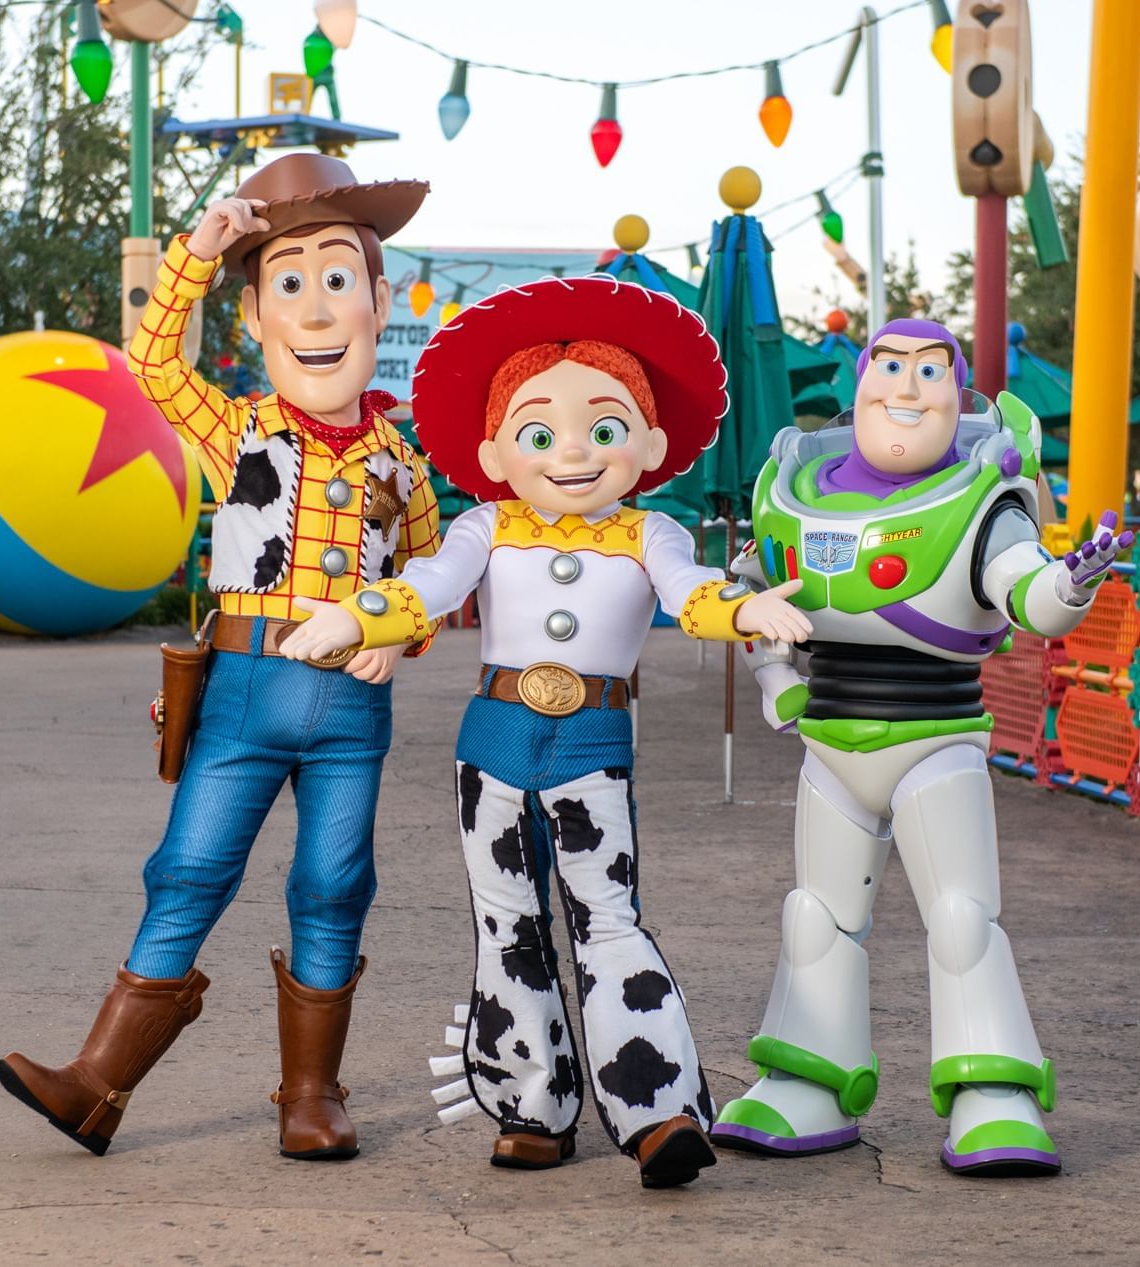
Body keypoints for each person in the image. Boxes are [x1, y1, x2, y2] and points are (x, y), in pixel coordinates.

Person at [281, 275, 811, 1188]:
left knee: (610, 922)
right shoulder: (485, 525)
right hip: (491, 744)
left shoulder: (654, 534)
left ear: (646, 443)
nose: (572, 452)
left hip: (592, 748)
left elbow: (693, 597)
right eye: (539, 434)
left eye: (603, 431)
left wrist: (745, 608)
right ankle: (531, 1102)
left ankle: (658, 1111)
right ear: (496, 450)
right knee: (507, 924)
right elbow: (431, 586)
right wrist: (359, 618)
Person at [0, 153, 440, 1162]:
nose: (318, 313)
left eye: (338, 282)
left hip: (347, 712)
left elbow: (430, 580)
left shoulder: (404, 464)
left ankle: (311, 1097)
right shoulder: (235, 429)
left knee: (333, 884)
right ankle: (95, 1084)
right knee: (187, 868)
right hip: (239, 689)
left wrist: (395, 637)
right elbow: (152, 367)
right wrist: (196, 254)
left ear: (377, 303)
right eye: (289, 284)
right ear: (255, 319)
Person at [711, 318, 1132, 1176]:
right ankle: (808, 1080)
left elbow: (1025, 591)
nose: (906, 389)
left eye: (929, 371)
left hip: (936, 738)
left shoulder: (981, 497)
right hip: (830, 740)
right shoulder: (797, 486)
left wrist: (1071, 581)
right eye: (891, 368)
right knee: (815, 916)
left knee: (960, 918)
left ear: (955, 393)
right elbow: (748, 592)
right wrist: (769, 670)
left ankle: (995, 1092)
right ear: (859, 383)